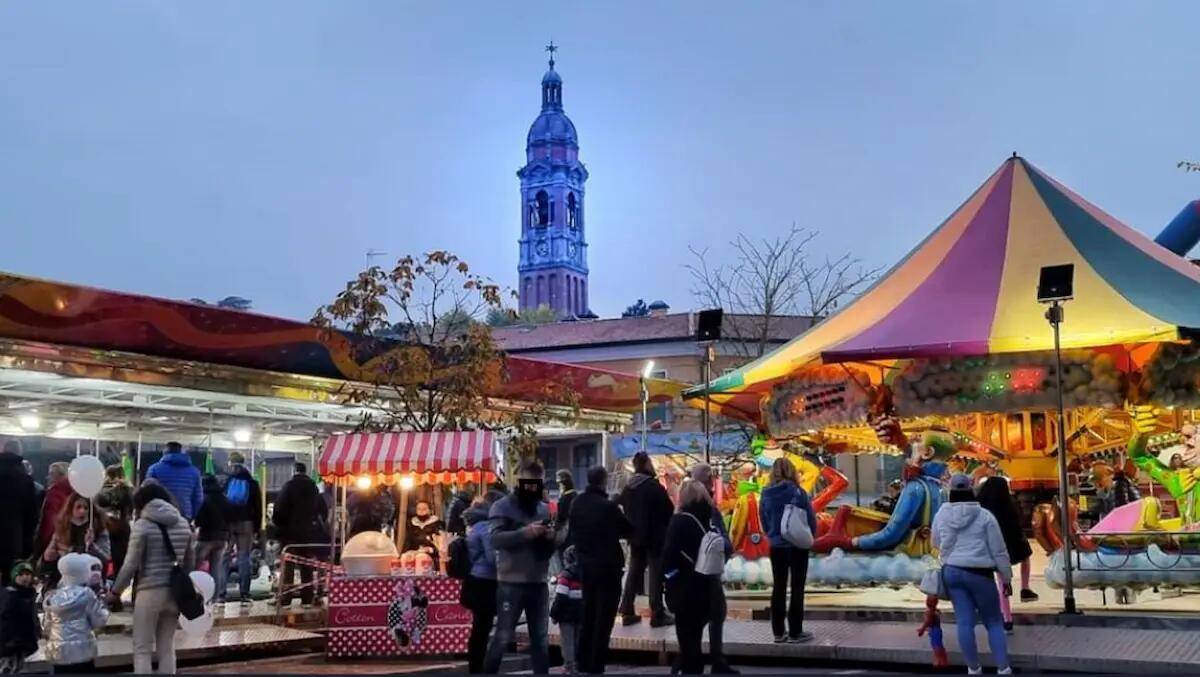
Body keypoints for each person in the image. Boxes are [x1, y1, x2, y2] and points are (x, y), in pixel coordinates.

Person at [109, 482, 195, 674]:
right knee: (167, 648)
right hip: (174, 594)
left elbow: (130, 564)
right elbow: (190, 563)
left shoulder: (142, 526)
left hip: (149, 593)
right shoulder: (183, 523)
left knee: (142, 649)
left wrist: (115, 591)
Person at [932, 474, 1012, 676]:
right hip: (980, 573)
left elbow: (935, 542)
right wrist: (1006, 577)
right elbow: (999, 550)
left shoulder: (942, 513)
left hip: (952, 571)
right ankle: (1003, 669)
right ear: (971, 489)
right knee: (993, 622)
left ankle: (974, 669)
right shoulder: (985, 516)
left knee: (964, 622)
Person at [483, 459, 556, 675]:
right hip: (511, 582)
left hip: (538, 581)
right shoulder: (502, 506)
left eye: (538, 482)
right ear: (520, 480)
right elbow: (496, 539)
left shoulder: (543, 509)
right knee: (503, 636)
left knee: (540, 638)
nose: (533, 487)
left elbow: (549, 549)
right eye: (529, 482)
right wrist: (526, 533)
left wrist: (552, 538)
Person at [567, 466, 632, 675]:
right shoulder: (608, 506)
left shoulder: (577, 503)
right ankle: (597, 664)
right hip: (608, 566)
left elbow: (572, 530)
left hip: (586, 564)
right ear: (604, 481)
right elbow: (627, 529)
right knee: (604, 618)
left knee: (589, 613)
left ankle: (582, 660)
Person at [759, 457, 817, 643]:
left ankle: (778, 632)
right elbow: (810, 518)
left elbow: (764, 519)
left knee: (779, 588)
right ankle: (795, 632)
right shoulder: (798, 492)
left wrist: (772, 534)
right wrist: (809, 537)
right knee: (797, 589)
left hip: (776, 546)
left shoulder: (766, 493)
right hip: (797, 545)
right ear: (792, 471)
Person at [661, 479, 716, 675]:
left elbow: (668, 557)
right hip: (705, 585)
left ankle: (687, 668)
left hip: (684, 588)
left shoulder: (679, 521)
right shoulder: (707, 519)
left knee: (686, 637)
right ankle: (686, 666)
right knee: (695, 636)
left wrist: (669, 578)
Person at [617, 452, 675, 628]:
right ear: (647, 464)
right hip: (654, 537)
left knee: (634, 572)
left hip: (634, 537)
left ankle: (627, 609)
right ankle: (657, 612)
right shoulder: (653, 487)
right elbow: (669, 509)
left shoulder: (628, 488)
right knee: (656, 574)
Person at [689, 464, 737, 674]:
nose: (712, 483)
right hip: (708, 571)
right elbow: (721, 537)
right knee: (714, 614)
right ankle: (712, 659)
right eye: (709, 479)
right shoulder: (707, 511)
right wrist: (726, 548)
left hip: (700, 571)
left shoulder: (685, 510)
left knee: (709, 615)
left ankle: (693, 657)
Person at [977, 476, 1037, 628]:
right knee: (1026, 557)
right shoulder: (1010, 502)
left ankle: (1007, 617)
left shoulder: (983, 506)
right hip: (1014, 542)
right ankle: (1025, 587)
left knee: (1001, 580)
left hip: (994, 546)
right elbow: (1019, 521)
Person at [273, 463, 328, 607]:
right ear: (305, 472)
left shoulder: (288, 486)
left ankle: (285, 599)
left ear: (294, 471)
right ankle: (307, 598)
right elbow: (323, 511)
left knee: (288, 566)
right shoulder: (314, 488)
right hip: (308, 534)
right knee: (306, 566)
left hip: (289, 534)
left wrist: (279, 525)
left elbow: (279, 509)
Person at [43, 553, 109, 674]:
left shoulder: (51, 596)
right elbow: (98, 620)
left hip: (58, 651)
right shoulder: (87, 594)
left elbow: (47, 626)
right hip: (82, 649)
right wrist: (105, 610)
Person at [43, 493, 112, 590]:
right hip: (63, 582)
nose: (82, 511)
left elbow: (106, 557)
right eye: (78, 507)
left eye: (86, 508)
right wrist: (49, 556)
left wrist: (92, 545)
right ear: (70, 509)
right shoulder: (62, 528)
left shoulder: (99, 528)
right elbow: (48, 558)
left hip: (90, 583)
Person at [462, 494, 498, 674]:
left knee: (479, 627)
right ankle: (478, 667)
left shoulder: (472, 526)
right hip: (486, 581)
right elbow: (492, 558)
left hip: (474, 579)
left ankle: (476, 666)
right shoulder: (485, 527)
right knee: (482, 628)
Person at [224, 452, 262, 606]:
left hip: (229, 523)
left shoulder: (227, 480)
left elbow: (221, 502)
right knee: (244, 558)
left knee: (225, 557)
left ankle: (220, 593)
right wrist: (257, 527)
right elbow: (258, 507)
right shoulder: (252, 482)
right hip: (247, 523)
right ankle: (245, 594)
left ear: (231, 463)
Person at [0, 441, 38, 587]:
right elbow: (31, 516)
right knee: (11, 579)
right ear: (20, 454)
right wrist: (28, 544)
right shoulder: (25, 480)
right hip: (14, 537)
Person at [194, 474, 232, 604]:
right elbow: (230, 517)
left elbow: (199, 519)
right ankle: (215, 597)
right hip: (222, 538)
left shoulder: (204, 499)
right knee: (216, 567)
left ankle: (196, 592)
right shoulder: (224, 498)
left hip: (206, 537)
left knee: (194, 564)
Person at [145, 442, 203, 521]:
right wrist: (192, 516)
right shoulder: (195, 472)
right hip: (184, 515)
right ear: (181, 452)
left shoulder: (153, 469)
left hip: (159, 515)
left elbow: (147, 495)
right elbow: (198, 499)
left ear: (164, 453)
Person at [96, 465, 134, 579]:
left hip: (104, 526)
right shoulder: (126, 489)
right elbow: (130, 510)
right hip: (122, 528)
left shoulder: (99, 489)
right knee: (120, 560)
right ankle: (116, 585)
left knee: (104, 555)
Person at [0, 562, 39, 674]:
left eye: (28, 574)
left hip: (25, 641)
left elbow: (31, 616)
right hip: (10, 643)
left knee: (19, 668)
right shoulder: (9, 594)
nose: (25, 577)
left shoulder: (29, 594)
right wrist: (7, 641)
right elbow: (4, 618)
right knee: (8, 669)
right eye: (21, 574)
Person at [550, 545, 583, 675]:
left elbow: (560, 597)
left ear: (566, 560)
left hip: (566, 615)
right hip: (581, 613)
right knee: (578, 639)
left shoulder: (565, 576)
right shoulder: (585, 574)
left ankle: (569, 666)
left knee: (567, 641)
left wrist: (554, 614)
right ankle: (578, 664)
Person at [36, 463, 73, 559]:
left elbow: (49, 521)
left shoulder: (54, 493)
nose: (47, 477)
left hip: (51, 544)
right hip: (67, 542)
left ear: (61, 476)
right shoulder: (73, 493)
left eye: (51, 474)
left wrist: (40, 545)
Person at [554, 469, 577, 550]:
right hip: (574, 534)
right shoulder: (575, 495)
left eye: (559, 483)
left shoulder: (566, 498)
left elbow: (561, 516)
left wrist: (554, 527)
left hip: (566, 534)